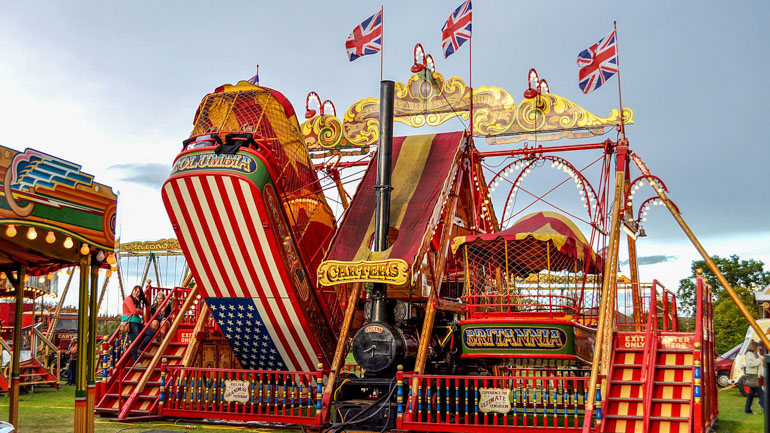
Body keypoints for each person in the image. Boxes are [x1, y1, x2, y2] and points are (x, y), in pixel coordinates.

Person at [122, 285, 146, 363]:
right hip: (131, 322)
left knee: (150, 332)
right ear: (132, 290)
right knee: (135, 341)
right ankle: (136, 362)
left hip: (137, 322)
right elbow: (134, 312)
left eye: (138, 292)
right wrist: (138, 310)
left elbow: (142, 313)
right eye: (135, 290)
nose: (136, 292)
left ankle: (141, 349)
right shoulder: (129, 300)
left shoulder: (137, 301)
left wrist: (138, 310)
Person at [744, 340, 765, 414]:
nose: (758, 349)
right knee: (761, 393)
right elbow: (750, 364)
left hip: (756, 376)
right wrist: (759, 360)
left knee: (751, 394)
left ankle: (747, 409)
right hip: (752, 376)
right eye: (757, 348)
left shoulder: (756, 354)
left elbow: (760, 362)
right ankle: (764, 407)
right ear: (754, 347)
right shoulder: (749, 354)